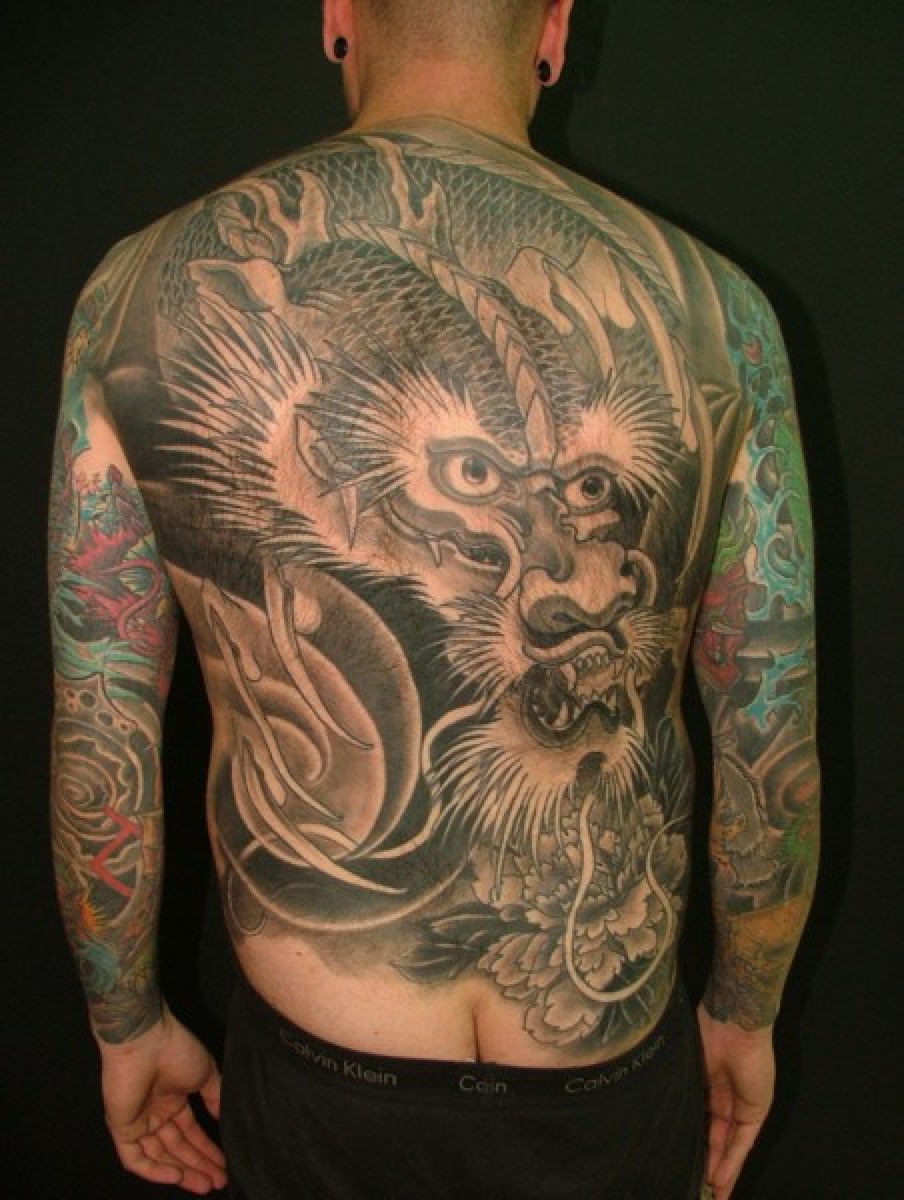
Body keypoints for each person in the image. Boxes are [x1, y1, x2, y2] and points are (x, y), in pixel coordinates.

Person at [48, 1, 820, 1197]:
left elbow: (102, 720)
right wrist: (744, 1009)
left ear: (337, 18)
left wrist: (125, 1021)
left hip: (323, 1082)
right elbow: (770, 711)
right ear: (553, 29)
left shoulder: (137, 292)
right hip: (610, 1077)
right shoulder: (724, 317)